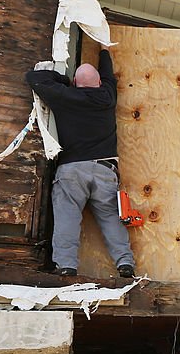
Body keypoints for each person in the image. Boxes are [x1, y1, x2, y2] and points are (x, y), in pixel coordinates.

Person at [25, 48, 135, 278]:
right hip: (104, 171)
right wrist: (104, 51)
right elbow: (108, 75)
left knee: (68, 218)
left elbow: (34, 78)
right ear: (98, 83)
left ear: (76, 82)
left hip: (72, 170)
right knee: (110, 218)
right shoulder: (107, 96)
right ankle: (125, 264)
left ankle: (67, 266)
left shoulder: (66, 96)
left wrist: (64, 81)